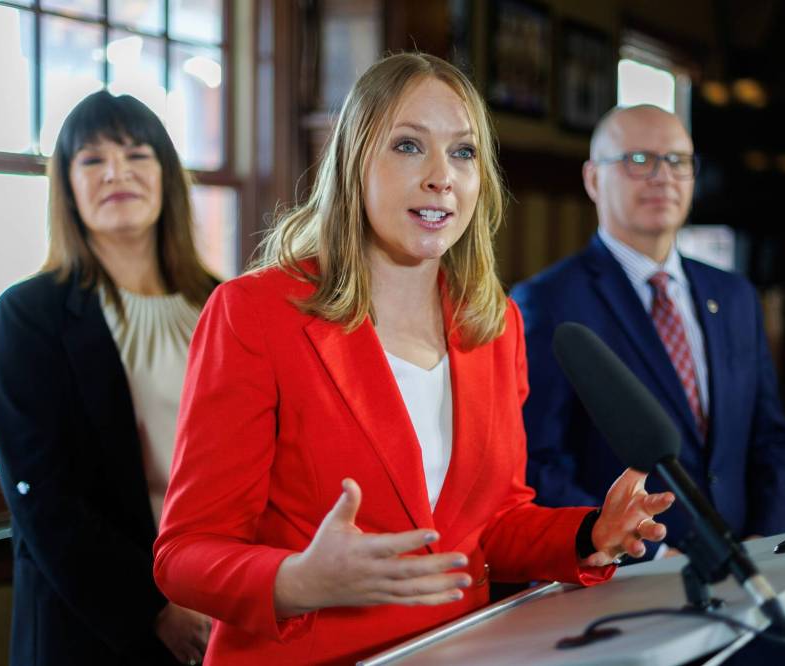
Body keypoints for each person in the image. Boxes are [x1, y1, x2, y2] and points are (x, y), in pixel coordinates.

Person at [153, 53, 675, 664]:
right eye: (408, 146)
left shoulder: (495, 324)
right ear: (354, 163)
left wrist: (588, 532)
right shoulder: (254, 313)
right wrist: (299, 581)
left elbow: (493, 525)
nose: (441, 176)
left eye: (463, 152)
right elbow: (184, 554)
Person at [0, 91, 215, 666]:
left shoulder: (223, 303)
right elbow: (43, 495)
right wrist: (152, 608)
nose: (116, 172)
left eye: (136, 154)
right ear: (66, 186)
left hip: (221, 598)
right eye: (92, 159)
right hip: (93, 627)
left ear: (167, 175)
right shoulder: (26, 316)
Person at [511, 104, 785, 559]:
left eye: (677, 161)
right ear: (593, 179)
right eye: (638, 160)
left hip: (747, 561)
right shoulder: (547, 303)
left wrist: (767, 537)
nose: (662, 177)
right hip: (626, 574)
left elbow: (771, 438)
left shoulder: (735, 295)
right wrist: (642, 550)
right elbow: (538, 461)